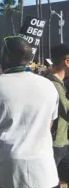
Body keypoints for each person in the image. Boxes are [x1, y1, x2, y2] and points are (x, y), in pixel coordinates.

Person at [0, 36, 59, 188]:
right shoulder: (49, 86)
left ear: (5, 57)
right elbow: (49, 124)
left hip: (2, 171)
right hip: (44, 172)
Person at [46, 44, 69, 181]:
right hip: (56, 143)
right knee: (49, 181)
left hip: (62, 141)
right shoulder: (54, 85)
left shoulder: (58, 83)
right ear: (66, 62)